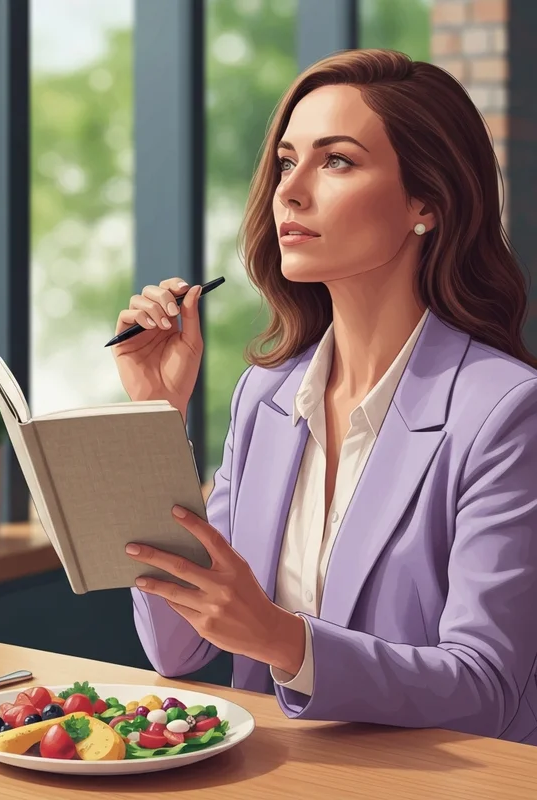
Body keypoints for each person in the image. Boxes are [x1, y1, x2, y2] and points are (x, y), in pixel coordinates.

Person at [110, 48, 537, 746]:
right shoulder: (265, 398)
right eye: (286, 162)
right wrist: (156, 418)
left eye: (336, 160)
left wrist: (286, 642)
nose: (291, 190)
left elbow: (485, 687)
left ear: (426, 203)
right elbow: (176, 650)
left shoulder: (506, 410)